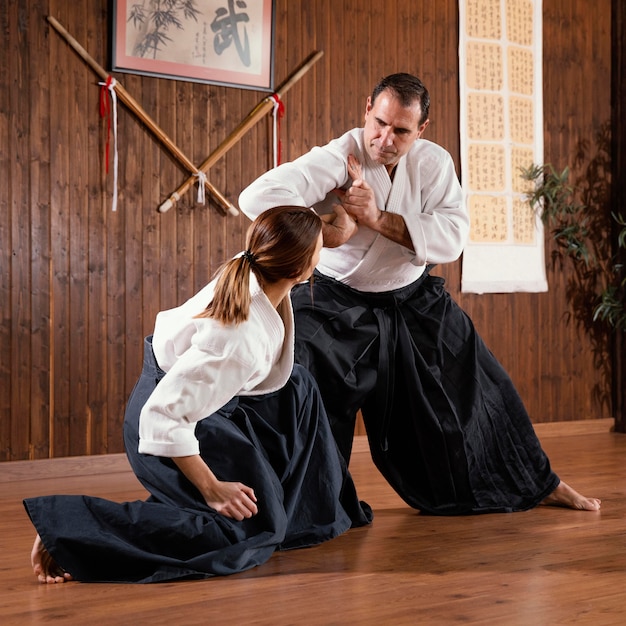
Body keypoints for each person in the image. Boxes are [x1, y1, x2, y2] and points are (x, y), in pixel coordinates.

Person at [238, 73, 601, 516]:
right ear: (367, 109)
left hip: (409, 299)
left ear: (421, 130)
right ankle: (304, 506)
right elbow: (256, 196)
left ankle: (536, 482)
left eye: (401, 130)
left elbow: (452, 239)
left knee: (478, 381)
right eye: (379, 123)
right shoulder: (341, 155)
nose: (385, 139)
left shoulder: (433, 164)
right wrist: (330, 229)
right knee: (302, 378)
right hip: (335, 298)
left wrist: (375, 216)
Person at [25, 206, 372, 584]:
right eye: (321, 247)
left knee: (298, 386)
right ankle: (67, 531)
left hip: (204, 405)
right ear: (300, 268)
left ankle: (313, 513)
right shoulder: (237, 339)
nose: (325, 252)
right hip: (168, 426)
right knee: (249, 530)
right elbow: (162, 416)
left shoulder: (253, 263)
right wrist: (212, 488)